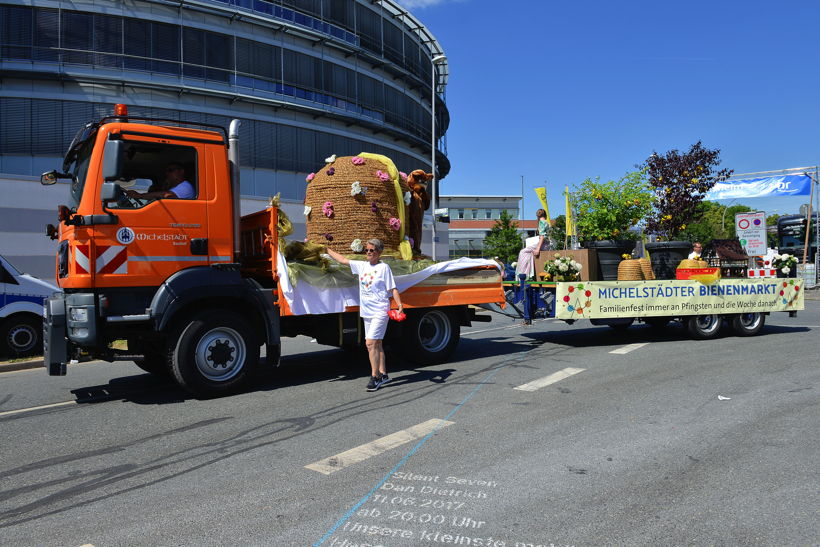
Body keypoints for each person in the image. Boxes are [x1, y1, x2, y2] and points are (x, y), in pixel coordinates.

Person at [326, 239, 403, 392]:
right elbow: (342, 260)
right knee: (377, 343)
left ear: (379, 252)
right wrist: (326, 249)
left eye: (371, 250)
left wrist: (399, 305)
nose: (368, 252)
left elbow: (393, 288)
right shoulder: (362, 265)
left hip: (380, 310)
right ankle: (384, 373)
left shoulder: (384, 268)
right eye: (366, 250)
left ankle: (375, 377)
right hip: (367, 311)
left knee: (370, 343)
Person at [514, 208, 551, 280]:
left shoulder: (541, 222)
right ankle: (529, 272)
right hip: (547, 244)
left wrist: (538, 248)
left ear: (537, 216)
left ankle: (524, 272)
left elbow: (542, 236)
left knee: (523, 252)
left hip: (543, 244)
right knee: (529, 253)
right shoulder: (547, 222)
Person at [126, 163, 195, 200]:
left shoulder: (186, 186)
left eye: (170, 170)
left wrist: (139, 195)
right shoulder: (174, 188)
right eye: (166, 171)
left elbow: (166, 195)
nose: (167, 173)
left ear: (181, 171)